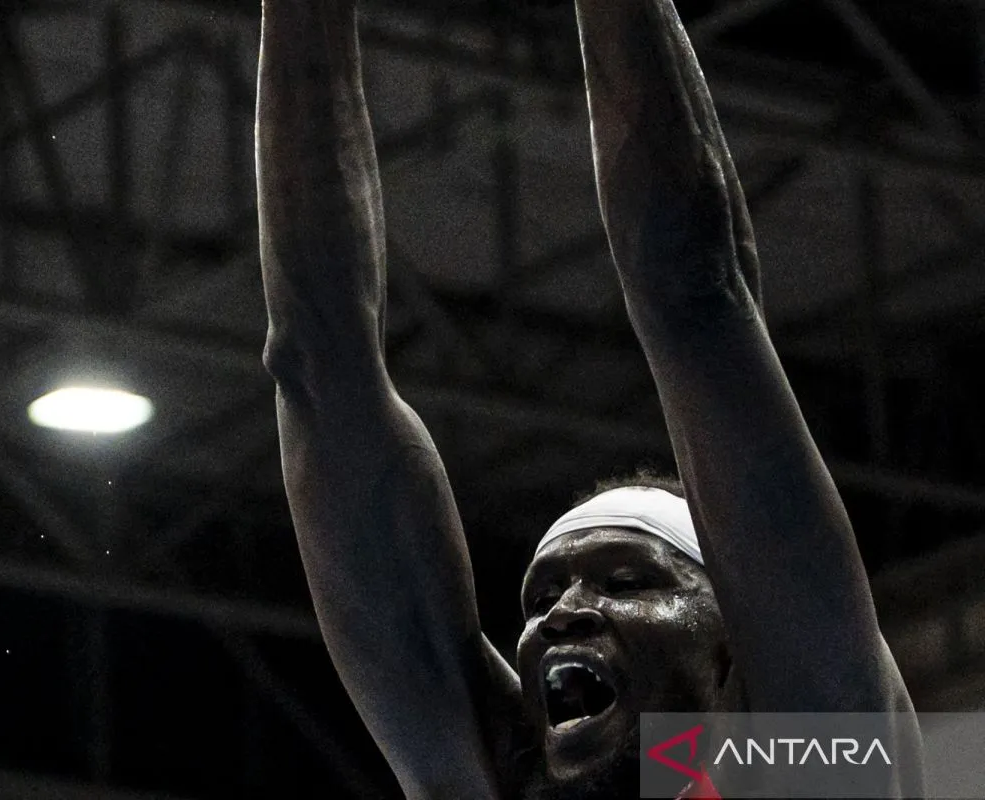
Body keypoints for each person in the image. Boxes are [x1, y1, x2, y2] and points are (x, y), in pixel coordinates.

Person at [255, 0, 924, 797]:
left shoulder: (825, 755)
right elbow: (316, 366)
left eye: (630, 582)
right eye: (543, 596)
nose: (562, 613)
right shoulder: (505, 779)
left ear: (731, 649)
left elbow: (698, 294)